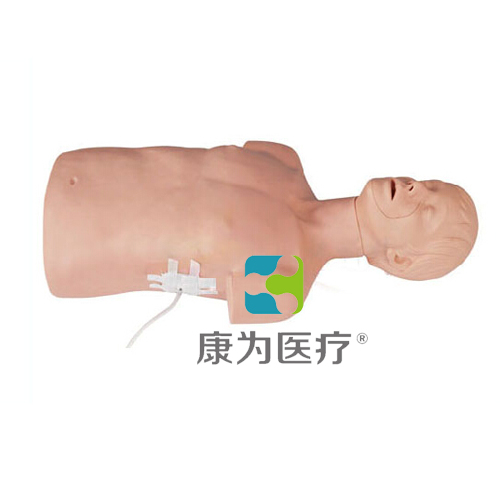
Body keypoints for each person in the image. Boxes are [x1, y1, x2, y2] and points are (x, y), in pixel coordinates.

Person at [44, 141, 478, 324]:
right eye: (430, 184)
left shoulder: (285, 286)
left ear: (398, 258)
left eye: (426, 211)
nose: (416, 188)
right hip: (65, 163)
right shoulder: (283, 158)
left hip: (53, 250)